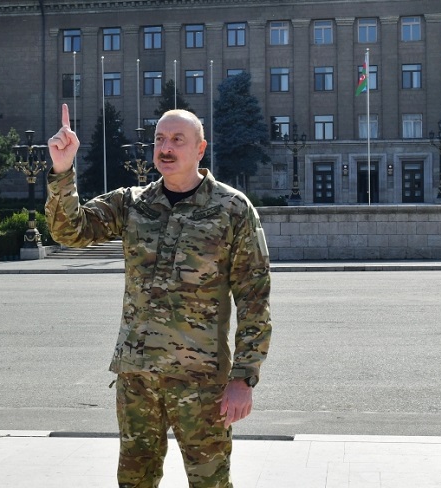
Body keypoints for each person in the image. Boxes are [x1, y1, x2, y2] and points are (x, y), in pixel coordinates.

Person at [45, 104, 272, 487]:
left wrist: (244, 378)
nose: (165, 148)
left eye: (177, 140)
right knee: (135, 481)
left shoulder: (232, 209)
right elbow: (70, 232)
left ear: (200, 149)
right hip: (137, 377)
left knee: (210, 482)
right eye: (159, 139)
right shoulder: (131, 203)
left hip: (200, 381)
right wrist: (63, 171)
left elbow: (254, 297)